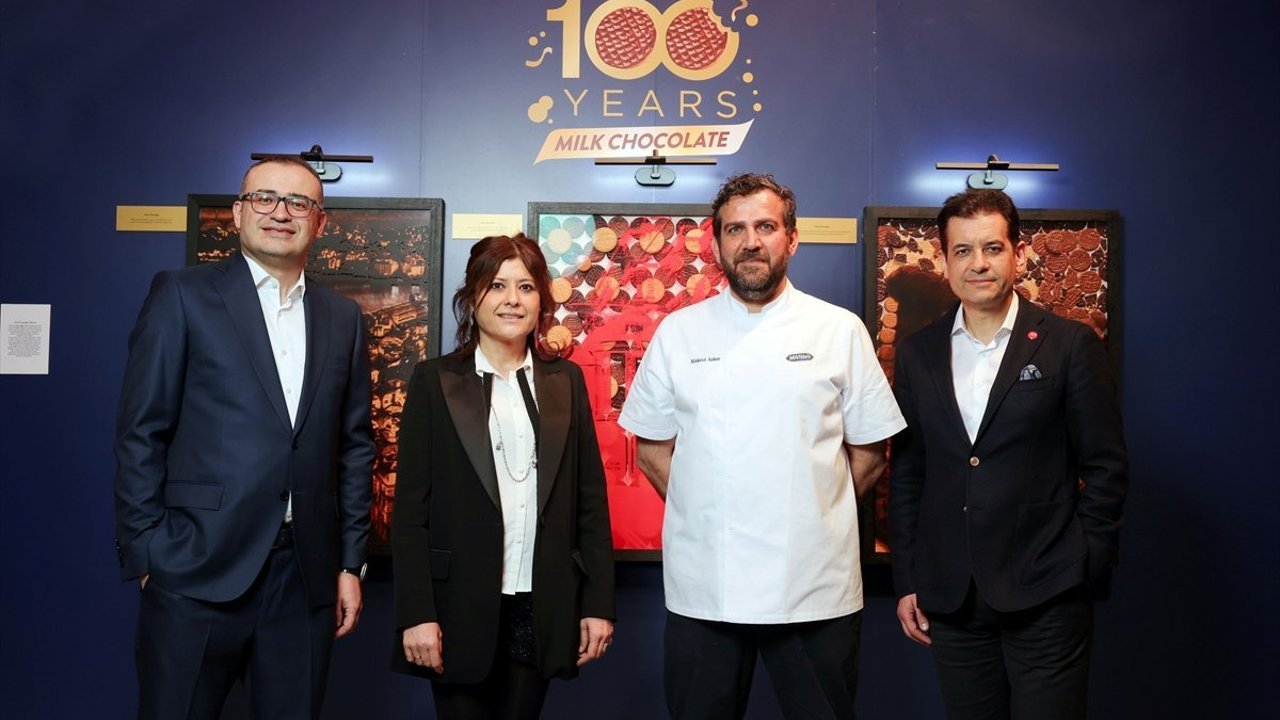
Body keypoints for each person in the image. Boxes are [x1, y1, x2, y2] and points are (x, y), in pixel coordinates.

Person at [618, 173, 906, 720]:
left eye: (766, 227)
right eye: (735, 229)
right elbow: (652, 451)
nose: (751, 241)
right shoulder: (679, 333)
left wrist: (816, 515)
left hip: (814, 586)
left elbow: (870, 452)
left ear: (791, 239)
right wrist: (704, 510)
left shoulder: (838, 330)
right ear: (716, 243)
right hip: (706, 586)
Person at [114, 155, 375, 719]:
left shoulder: (343, 318)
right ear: (237, 213)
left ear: (320, 222)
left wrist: (349, 565)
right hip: (194, 568)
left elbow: (355, 449)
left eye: (298, 202)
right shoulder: (182, 294)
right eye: (265, 198)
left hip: (304, 578)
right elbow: (141, 431)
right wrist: (147, 553)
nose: (280, 213)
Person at [889, 189, 1129, 719]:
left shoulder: (1069, 344)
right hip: (952, 597)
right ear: (944, 259)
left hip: (1048, 592)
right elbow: (908, 473)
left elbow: (1106, 466)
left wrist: (1085, 563)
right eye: (963, 251)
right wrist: (908, 578)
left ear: (1017, 253)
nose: (978, 263)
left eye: (992, 248)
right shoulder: (917, 353)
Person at [391, 234, 616, 719]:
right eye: (497, 285)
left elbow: (590, 502)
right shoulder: (435, 381)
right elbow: (409, 513)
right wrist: (417, 613)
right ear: (474, 296)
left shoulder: (566, 382)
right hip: (455, 607)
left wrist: (598, 603)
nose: (513, 299)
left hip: (541, 604)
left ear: (541, 301)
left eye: (526, 287)